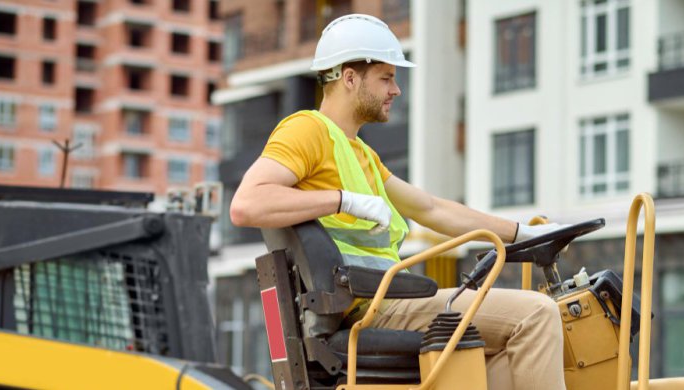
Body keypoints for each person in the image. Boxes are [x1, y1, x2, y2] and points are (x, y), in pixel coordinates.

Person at [230, 14, 567, 390]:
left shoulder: (361, 154)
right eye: (387, 78)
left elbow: (431, 209)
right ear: (350, 78)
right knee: (537, 314)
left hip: (385, 302)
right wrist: (344, 201)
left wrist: (523, 233)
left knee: (507, 360)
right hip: (373, 309)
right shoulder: (307, 131)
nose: (396, 90)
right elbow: (246, 203)